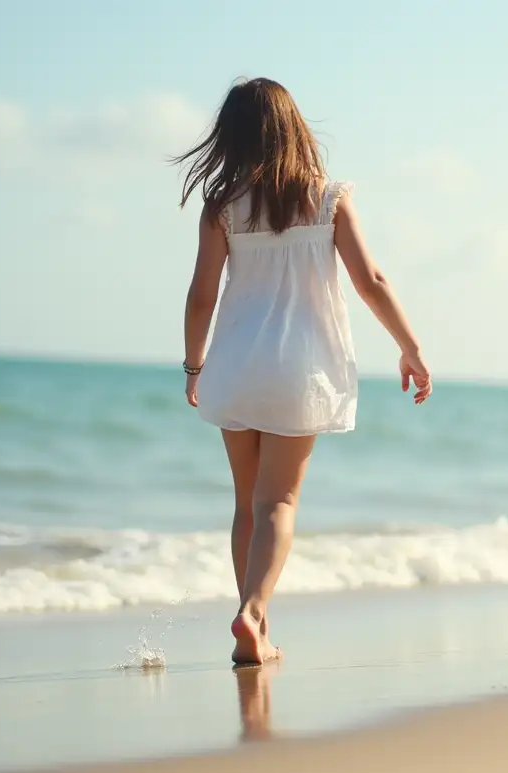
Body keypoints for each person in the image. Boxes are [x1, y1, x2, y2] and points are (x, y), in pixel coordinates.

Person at [174, 78, 431, 665]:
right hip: (301, 371)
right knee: (279, 503)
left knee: (246, 504)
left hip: (236, 364)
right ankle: (254, 615)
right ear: (294, 129)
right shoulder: (328, 199)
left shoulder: (222, 208)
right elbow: (372, 283)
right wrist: (411, 347)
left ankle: (253, 624)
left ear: (232, 137)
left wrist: (194, 366)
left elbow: (200, 297)